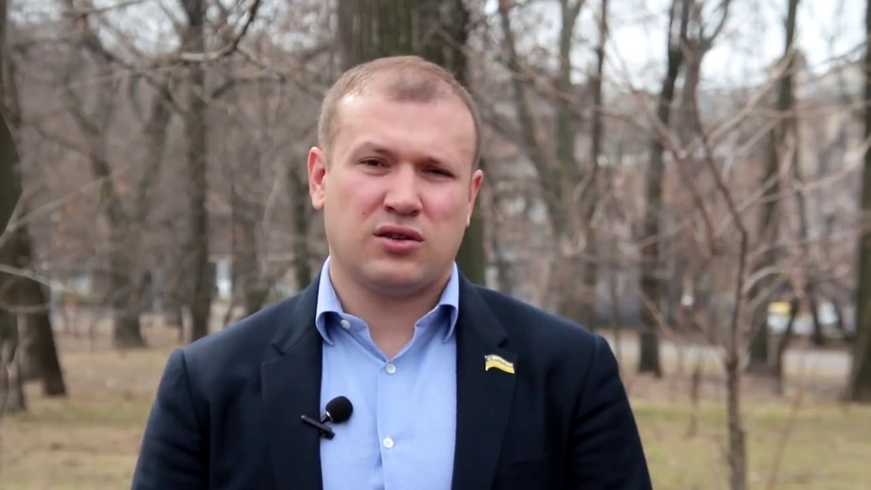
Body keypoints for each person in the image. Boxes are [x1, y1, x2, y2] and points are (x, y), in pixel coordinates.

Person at [131, 56, 651, 490]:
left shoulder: (570, 374)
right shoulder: (207, 384)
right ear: (319, 177)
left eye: (435, 171)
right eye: (375, 163)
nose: (403, 198)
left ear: (471, 197)